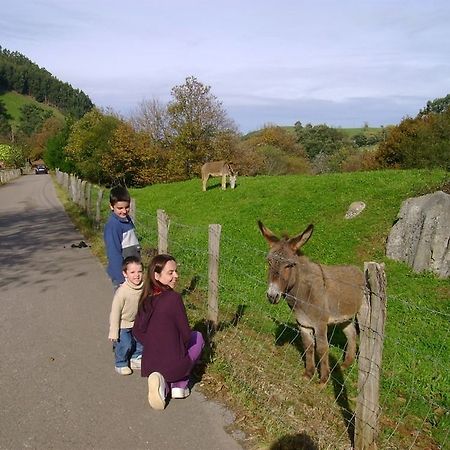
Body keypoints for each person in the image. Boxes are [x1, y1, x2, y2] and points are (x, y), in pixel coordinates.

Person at [132, 254, 204, 410]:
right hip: (173, 363)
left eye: (176, 271)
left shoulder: (146, 298)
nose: (176, 276)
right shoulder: (174, 298)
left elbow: (137, 331)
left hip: (150, 363)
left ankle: (163, 386)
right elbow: (185, 334)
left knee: (167, 365)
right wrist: (177, 348)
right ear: (157, 276)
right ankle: (180, 384)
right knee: (197, 337)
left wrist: (154, 344)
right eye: (170, 273)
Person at [108, 256, 144, 375]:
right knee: (126, 343)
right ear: (125, 274)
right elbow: (115, 313)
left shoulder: (144, 288)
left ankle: (136, 357)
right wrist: (113, 331)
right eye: (132, 272)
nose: (136, 275)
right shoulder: (122, 292)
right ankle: (121, 362)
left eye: (139, 271)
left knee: (140, 341)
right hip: (123, 323)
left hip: (137, 322)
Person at [103, 186, 141, 290]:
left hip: (132, 272)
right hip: (124, 276)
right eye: (120, 208)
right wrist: (121, 279)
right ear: (111, 206)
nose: (124, 211)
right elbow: (113, 253)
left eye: (127, 207)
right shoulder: (113, 225)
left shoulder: (126, 220)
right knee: (124, 304)